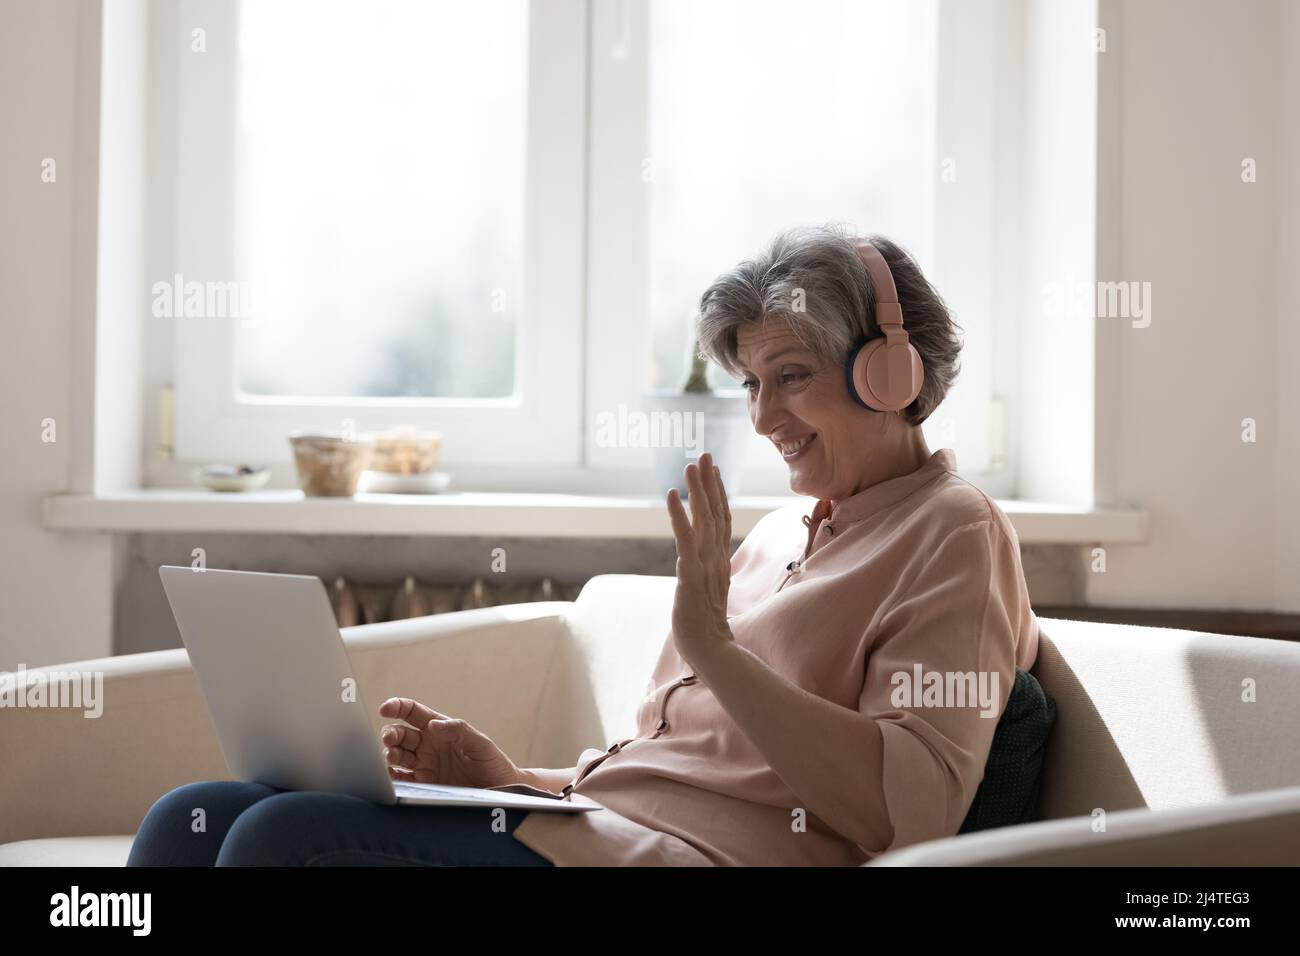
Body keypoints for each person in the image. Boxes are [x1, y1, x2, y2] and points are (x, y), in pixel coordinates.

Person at [127, 225, 1038, 866]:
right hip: (600, 832)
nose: (762, 417)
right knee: (193, 818)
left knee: (280, 844)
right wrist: (513, 779)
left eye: (790, 377)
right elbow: (673, 768)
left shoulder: (952, 531)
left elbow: (907, 816)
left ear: (890, 371)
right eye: (752, 384)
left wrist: (714, 647)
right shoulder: (768, 536)